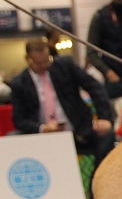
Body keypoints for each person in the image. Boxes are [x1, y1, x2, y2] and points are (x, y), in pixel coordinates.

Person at [9, 38, 115, 168]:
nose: (43, 66)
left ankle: (97, 181)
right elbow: (19, 119)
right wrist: (42, 128)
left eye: (47, 61)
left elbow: (94, 87)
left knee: (107, 134)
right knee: (12, 137)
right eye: (38, 63)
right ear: (27, 59)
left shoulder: (65, 66)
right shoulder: (19, 83)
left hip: (78, 130)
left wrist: (104, 118)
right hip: (41, 135)